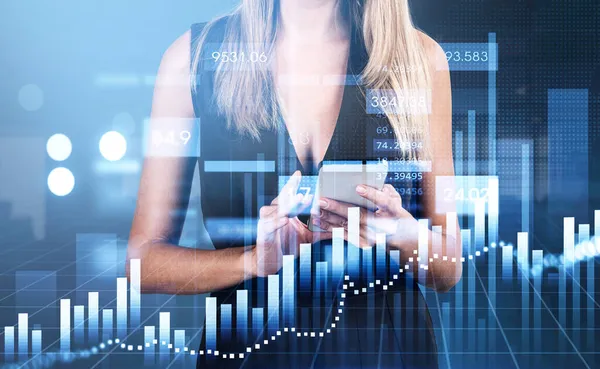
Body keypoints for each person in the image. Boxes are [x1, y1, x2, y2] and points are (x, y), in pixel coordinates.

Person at [128, 0, 461, 368]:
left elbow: (449, 266)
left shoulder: (421, 61)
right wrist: (252, 261)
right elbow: (143, 262)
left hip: (385, 351)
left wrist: (402, 233)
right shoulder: (191, 61)